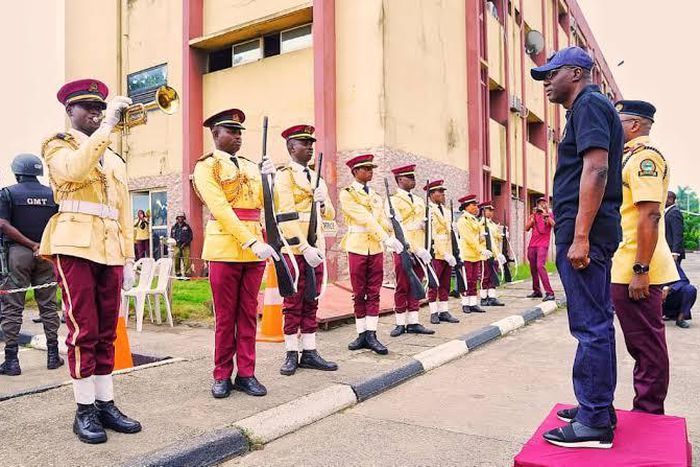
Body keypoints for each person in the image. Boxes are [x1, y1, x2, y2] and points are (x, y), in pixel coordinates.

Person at [531, 47, 624, 448]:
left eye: (551, 74)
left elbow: (597, 168)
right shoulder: (587, 109)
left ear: (575, 72)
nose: (547, 82)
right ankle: (598, 409)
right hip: (587, 229)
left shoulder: (588, 105)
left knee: (589, 325)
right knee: (597, 321)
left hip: (586, 232)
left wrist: (580, 236)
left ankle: (594, 422)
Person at [40, 79, 141, 443]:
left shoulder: (113, 156)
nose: (96, 113)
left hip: (110, 248)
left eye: (100, 107)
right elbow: (75, 170)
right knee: (83, 329)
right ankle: (84, 410)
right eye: (88, 108)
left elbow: (123, 208)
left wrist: (128, 256)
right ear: (70, 112)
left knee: (105, 331)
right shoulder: (57, 144)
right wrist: (109, 127)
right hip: (74, 242)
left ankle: (105, 402)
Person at [193, 108, 277, 399]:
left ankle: (246, 373)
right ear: (216, 134)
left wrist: (271, 180)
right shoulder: (206, 166)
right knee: (226, 317)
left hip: (255, 247)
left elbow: (266, 205)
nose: (238, 136)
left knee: (248, 314)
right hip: (225, 247)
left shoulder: (251, 165)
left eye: (240, 131)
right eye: (231, 131)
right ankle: (221, 374)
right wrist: (250, 241)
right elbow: (220, 209)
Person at [610, 100, 678, 416]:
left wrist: (641, 269)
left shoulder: (645, 158)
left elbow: (650, 215)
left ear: (635, 124)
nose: (614, 124)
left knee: (647, 345)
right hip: (625, 262)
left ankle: (649, 411)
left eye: (618, 119)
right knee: (639, 344)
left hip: (636, 266)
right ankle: (646, 407)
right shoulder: (628, 157)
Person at [274, 124, 338, 375]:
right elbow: (286, 217)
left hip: (316, 246)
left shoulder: (317, 177)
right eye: (304, 143)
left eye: (311, 144)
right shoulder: (285, 176)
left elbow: (331, 214)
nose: (310, 148)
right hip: (296, 248)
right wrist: (303, 246)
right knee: (293, 302)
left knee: (312, 300)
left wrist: (322, 204)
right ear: (291, 147)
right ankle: (291, 352)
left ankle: (309, 351)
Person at [0, 154, 63, 376]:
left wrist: (29, 244)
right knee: (48, 306)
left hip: (18, 255)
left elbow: (3, 224)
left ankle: (11, 361)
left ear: (17, 172)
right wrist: (41, 245)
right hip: (45, 255)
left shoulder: (7, 193)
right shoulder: (52, 195)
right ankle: (53, 356)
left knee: (12, 308)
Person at [339, 154, 403, 355]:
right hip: (357, 246)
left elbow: (381, 220)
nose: (370, 172)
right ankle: (361, 334)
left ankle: (372, 334)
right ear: (355, 172)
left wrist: (394, 231)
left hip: (375, 248)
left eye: (371, 169)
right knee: (359, 292)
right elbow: (364, 218)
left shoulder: (375, 196)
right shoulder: (347, 194)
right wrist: (385, 237)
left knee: (374, 291)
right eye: (366, 169)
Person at [388, 165, 434, 337]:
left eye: (413, 177)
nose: (413, 180)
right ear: (400, 180)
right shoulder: (392, 201)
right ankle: (400, 322)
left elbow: (424, 227)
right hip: (404, 247)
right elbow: (397, 227)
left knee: (416, 283)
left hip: (421, 247)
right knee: (402, 285)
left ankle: (414, 321)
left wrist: (426, 245)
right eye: (409, 177)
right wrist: (415, 248)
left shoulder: (420, 201)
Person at [424, 180, 460, 325]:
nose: (442, 194)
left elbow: (449, 233)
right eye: (439, 191)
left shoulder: (446, 211)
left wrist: (454, 251)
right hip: (436, 252)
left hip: (449, 251)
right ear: (431, 194)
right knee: (434, 283)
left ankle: (443, 311)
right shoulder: (428, 210)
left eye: (443, 191)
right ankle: (433, 312)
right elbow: (433, 234)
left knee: (445, 283)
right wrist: (443, 253)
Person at [456, 194, 487, 313]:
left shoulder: (474, 220)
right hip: (467, 254)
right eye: (473, 205)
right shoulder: (463, 220)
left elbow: (477, 236)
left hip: (475, 254)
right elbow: (469, 238)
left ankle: (473, 303)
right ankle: (465, 303)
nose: (476, 207)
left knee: (474, 279)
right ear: (466, 207)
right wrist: (480, 249)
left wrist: (482, 238)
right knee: (467, 280)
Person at [525, 197, 556, 301]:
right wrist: (532, 220)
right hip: (532, 245)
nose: (541, 205)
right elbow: (526, 228)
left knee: (540, 266)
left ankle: (550, 292)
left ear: (547, 204)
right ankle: (537, 291)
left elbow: (554, 225)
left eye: (544, 203)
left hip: (543, 244)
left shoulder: (549, 215)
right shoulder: (533, 215)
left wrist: (546, 215)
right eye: (540, 203)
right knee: (533, 268)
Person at [478, 201, 505, 307]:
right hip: (485, 254)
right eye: (489, 210)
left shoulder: (492, 224)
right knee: (485, 276)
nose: (491, 213)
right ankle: (483, 298)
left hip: (494, 253)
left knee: (493, 276)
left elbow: (496, 239)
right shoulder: (481, 224)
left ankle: (492, 297)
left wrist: (502, 234)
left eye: (492, 211)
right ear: (483, 211)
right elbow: (480, 240)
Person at [663, 261, 695, 328]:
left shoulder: (668, 261)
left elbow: (684, 280)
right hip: (652, 298)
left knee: (689, 289)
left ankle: (680, 318)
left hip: (669, 298)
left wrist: (670, 288)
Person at [664, 191, 685, 265]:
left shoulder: (674, 212)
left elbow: (678, 234)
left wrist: (675, 253)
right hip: (668, 250)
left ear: (670, 199)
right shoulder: (668, 212)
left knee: (675, 275)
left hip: (672, 252)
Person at [171, 212, 193, 277]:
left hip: (185, 245)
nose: (180, 218)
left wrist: (185, 243)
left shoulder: (187, 227)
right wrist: (175, 243)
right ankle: (178, 274)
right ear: (177, 218)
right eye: (179, 217)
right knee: (177, 260)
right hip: (176, 246)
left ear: (184, 218)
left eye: (182, 217)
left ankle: (187, 274)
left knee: (186, 260)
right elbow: (172, 237)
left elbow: (191, 237)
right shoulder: (174, 227)